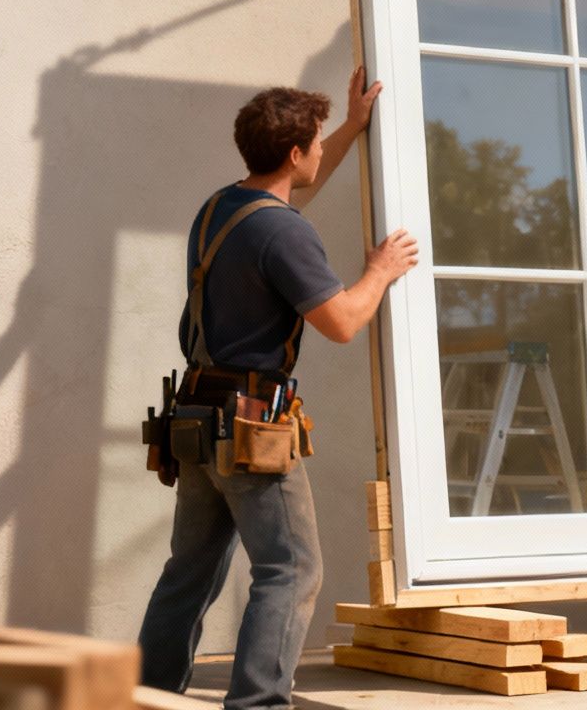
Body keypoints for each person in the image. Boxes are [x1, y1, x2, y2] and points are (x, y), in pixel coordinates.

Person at [138, 70, 419, 710]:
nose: (320, 150)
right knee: (290, 568)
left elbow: (293, 193)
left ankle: (144, 695)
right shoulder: (285, 232)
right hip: (249, 427)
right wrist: (379, 272)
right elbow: (342, 323)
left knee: (188, 573)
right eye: (316, 142)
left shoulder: (221, 209)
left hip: (195, 418)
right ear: (294, 153)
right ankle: (258, 705)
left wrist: (351, 125)